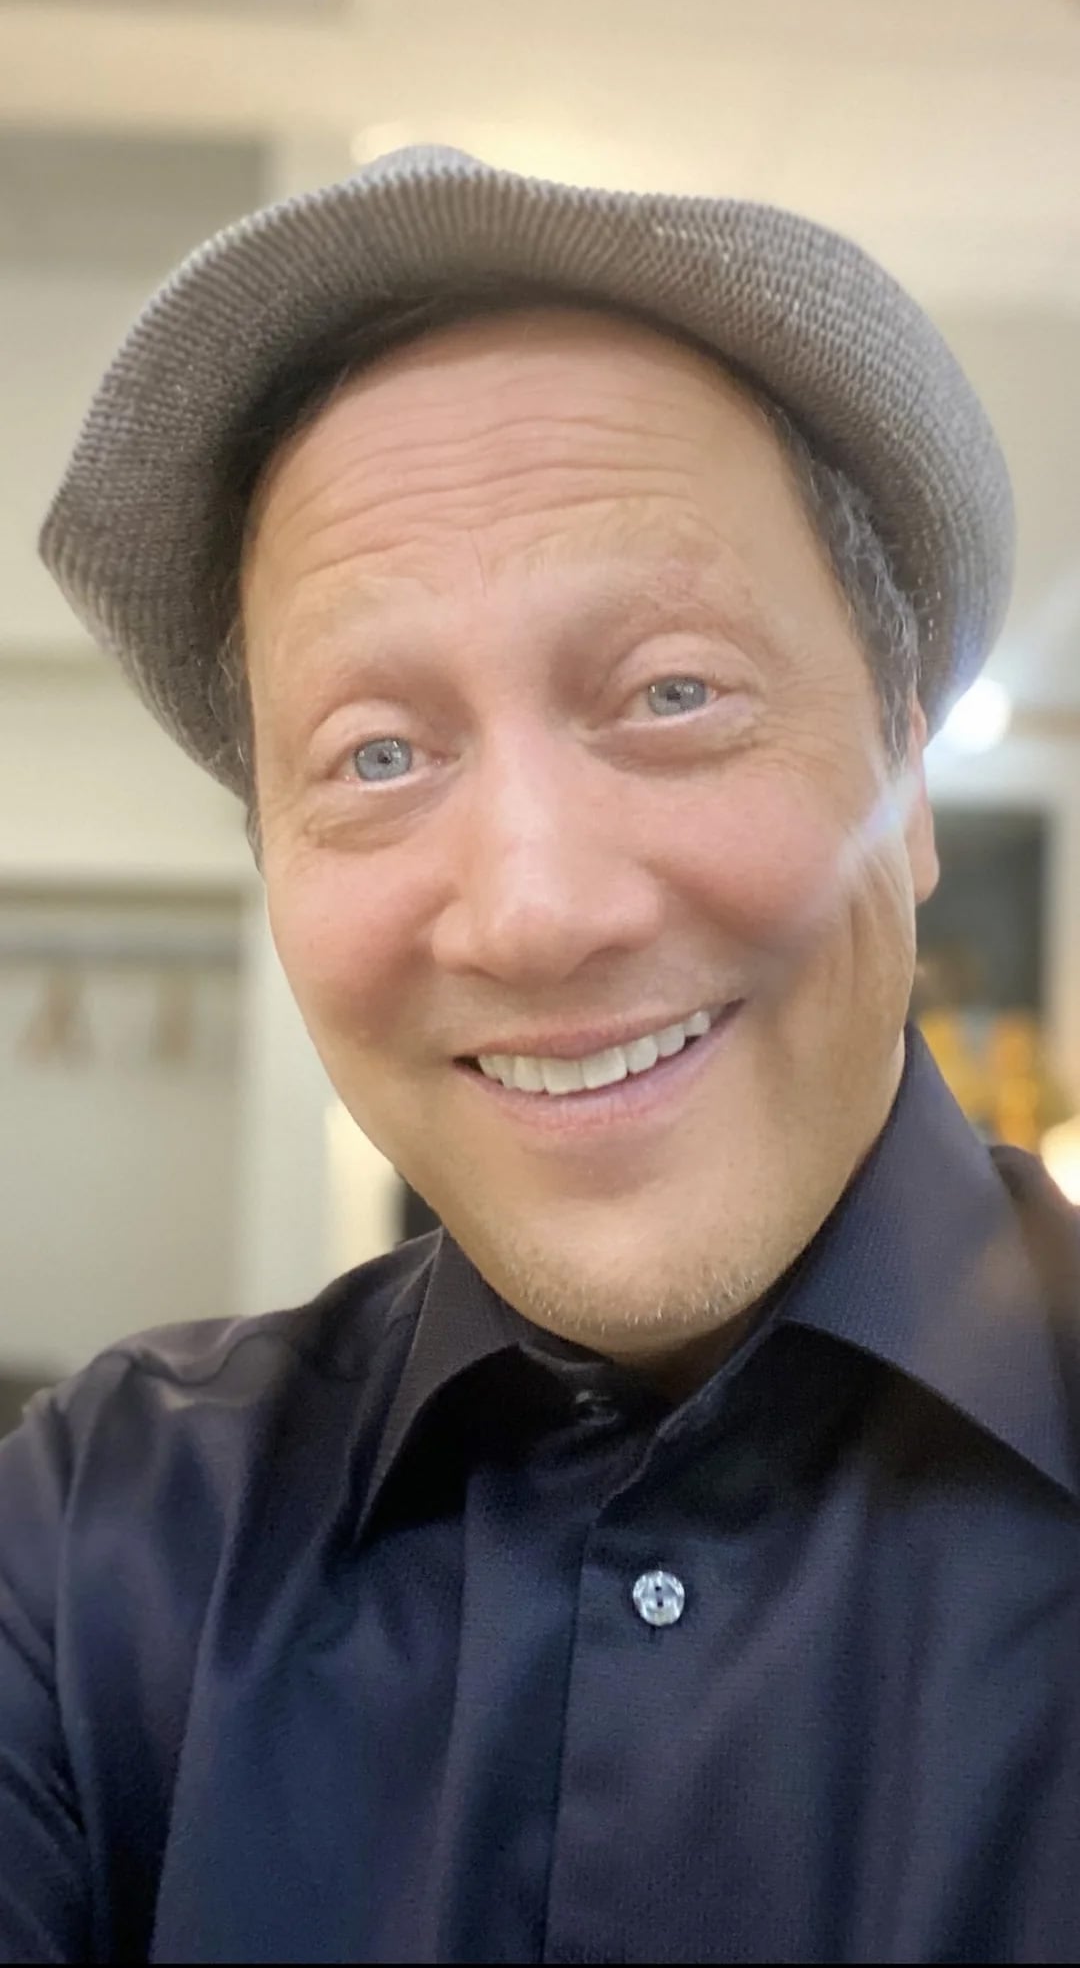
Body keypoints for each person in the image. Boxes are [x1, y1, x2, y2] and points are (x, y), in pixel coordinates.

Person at [2, 144, 1078, 1965]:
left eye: (672, 693)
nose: (530, 913)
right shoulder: (96, 1545)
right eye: (375, 755)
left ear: (904, 783)